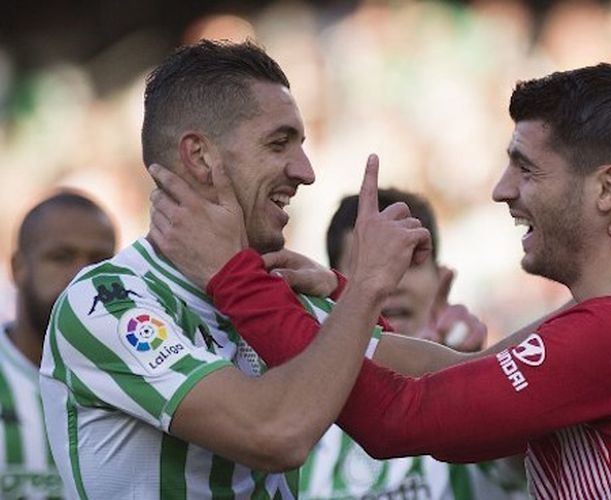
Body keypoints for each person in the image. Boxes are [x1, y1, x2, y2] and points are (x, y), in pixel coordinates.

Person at [151, 57, 611, 498]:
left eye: (526, 168)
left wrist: (235, 277)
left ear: (609, 188)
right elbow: (452, 371)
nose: (501, 190)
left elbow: (395, 420)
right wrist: (338, 300)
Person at [40, 40, 432, 498]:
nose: (306, 172)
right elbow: (276, 432)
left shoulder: (276, 289)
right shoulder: (107, 301)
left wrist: (343, 291)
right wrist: (367, 285)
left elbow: (447, 382)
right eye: (279, 143)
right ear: (201, 157)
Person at [300, 188, 526, 500]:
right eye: (370, 264)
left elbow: (525, 455)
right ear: (331, 285)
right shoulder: (296, 412)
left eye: (412, 263)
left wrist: (473, 374)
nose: (393, 283)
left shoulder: (478, 386)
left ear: (440, 277)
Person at [2, 191, 116, 499]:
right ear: (18, 267)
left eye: (100, 261)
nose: (82, 276)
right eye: (61, 257)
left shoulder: (135, 380)